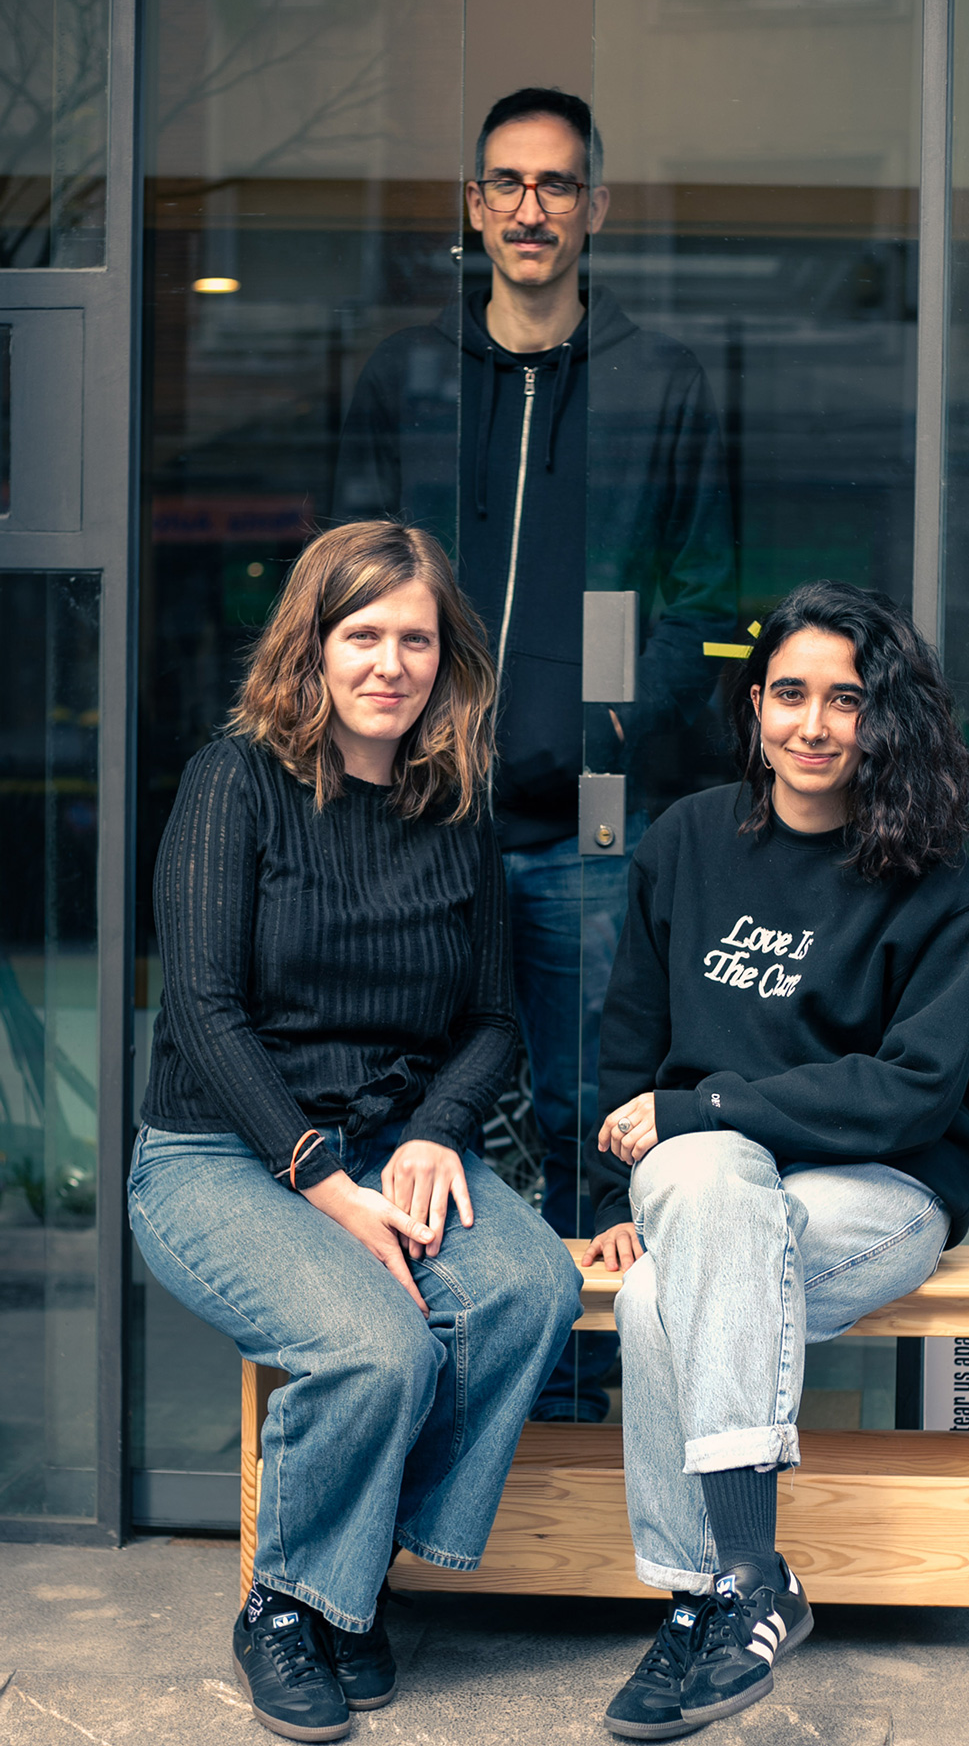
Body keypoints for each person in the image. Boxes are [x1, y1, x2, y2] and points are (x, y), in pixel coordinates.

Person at [127, 521, 582, 1744]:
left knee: (531, 1287)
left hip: (393, 1145)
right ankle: (286, 1605)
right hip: (219, 1154)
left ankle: (355, 1565)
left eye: (415, 638)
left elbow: (493, 1020)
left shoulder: (454, 807)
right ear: (314, 648)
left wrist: (439, 1133)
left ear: (447, 659)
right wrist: (324, 1181)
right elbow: (206, 1016)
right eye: (362, 634)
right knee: (379, 1349)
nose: (390, 662)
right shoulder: (238, 783)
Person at [334, 87, 735, 1420]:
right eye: (505, 183)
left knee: (583, 1106)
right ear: (473, 205)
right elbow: (347, 582)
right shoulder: (406, 374)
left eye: (556, 185)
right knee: (413, 1095)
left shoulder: (661, 377)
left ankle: (577, 1400)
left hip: (594, 808)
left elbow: (696, 594)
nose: (528, 208)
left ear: (595, 210)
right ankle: (437, 1380)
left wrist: (603, 728)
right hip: (421, 817)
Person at [584, 580, 969, 1738]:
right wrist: (635, 1182)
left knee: (676, 1278)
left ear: (886, 717)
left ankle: (709, 1588)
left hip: (884, 1190)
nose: (814, 726)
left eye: (847, 700)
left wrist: (711, 1108)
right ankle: (748, 1587)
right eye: (791, 694)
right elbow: (629, 1047)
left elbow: (911, 1091)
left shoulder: (932, 879)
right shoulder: (686, 843)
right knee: (697, 1207)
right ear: (754, 702)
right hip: (701, 1181)